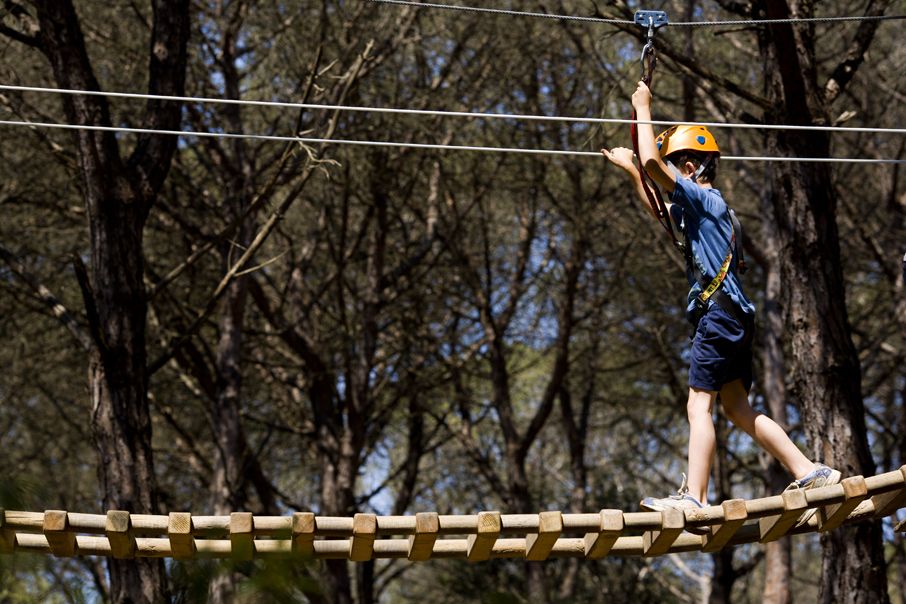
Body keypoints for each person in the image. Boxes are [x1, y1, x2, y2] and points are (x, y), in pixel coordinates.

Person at [601, 81, 840, 527]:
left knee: (699, 405)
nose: (669, 180)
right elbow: (660, 210)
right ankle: (810, 471)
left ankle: (695, 497)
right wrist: (633, 170)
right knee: (736, 408)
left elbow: (657, 165)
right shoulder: (707, 211)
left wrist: (643, 108)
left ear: (689, 167)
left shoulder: (704, 197)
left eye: (675, 171)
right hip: (732, 316)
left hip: (717, 316)